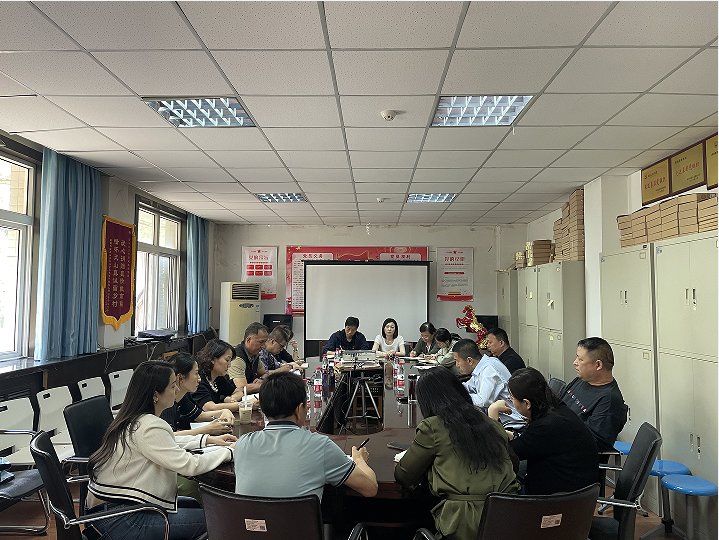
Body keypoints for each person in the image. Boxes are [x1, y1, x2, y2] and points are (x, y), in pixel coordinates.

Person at [87, 361, 235, 540]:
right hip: (122, 520)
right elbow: (189, 465)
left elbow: (166, 442)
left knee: (196, 506)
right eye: (172, 386)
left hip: (108, 512)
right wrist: (229, 452)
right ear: (156, 395)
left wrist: (207, 440)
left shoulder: (133, 418)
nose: (177, 390)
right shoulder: (149, 426)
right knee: (219, 520)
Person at [395, 367, 519, 540]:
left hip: (465, 524)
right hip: (510, 517)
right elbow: (514, 465)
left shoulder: (432, 427)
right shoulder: (490, 423)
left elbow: (404, 475)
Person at [234, 371, 377, 501]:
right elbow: (370, 488)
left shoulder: (242, 444)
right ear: (298, 410)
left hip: (247, 522)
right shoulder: (320, 446)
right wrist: (359, 460)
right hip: (297, 523)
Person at [488, 367, 598, 495]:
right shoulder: (557, 410)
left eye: (512, 398)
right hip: (574, 492)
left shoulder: (546, 426)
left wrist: (493, 413)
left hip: (553, 500)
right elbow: (532, 442)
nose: (510, 401)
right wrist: (509, 435)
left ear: (527, 403)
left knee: (490, 490)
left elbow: (502, 455)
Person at [560, 337, 628, 452]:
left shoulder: (609, 400)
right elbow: (556, 404)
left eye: (580, 359)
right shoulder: (582, 380)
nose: (575, 362)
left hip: (571, 456)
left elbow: (592, 443)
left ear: (598, 365)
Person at [452, 339, 525, 429]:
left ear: (469, 360)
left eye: (457, 361)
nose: (457, 365)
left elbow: (483, 401)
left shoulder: (489, 369)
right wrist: (452, 387)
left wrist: (459, 395)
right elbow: (468, 387)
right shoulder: (482, 366)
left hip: (513, 424)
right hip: (500, 419)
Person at [160, 351, 235, 436]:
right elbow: (169, 436)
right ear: (180, 377)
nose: (199, 379)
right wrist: (208, 430)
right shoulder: (166, 402)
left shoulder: (181, 396)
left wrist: (224, 411)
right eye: (196, 373)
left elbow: (200, 416)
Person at [192, 339, 247, 413]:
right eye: (227, 360)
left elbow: (239, 392)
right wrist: (244, 405)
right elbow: (210, 408)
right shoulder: (198, 379)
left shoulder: (218, 378)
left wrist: (231, 399)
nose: (229, 365)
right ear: (212, 359)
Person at [229, 322, 269, 393]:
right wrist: (266, 385)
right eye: (261, 342)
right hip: (232, 397)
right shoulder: (237, 357)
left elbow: (265, 374)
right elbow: (242, 388)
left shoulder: (255, 355)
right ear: (248, 340)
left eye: (265, 342)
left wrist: (261, 379)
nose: (263, 346)